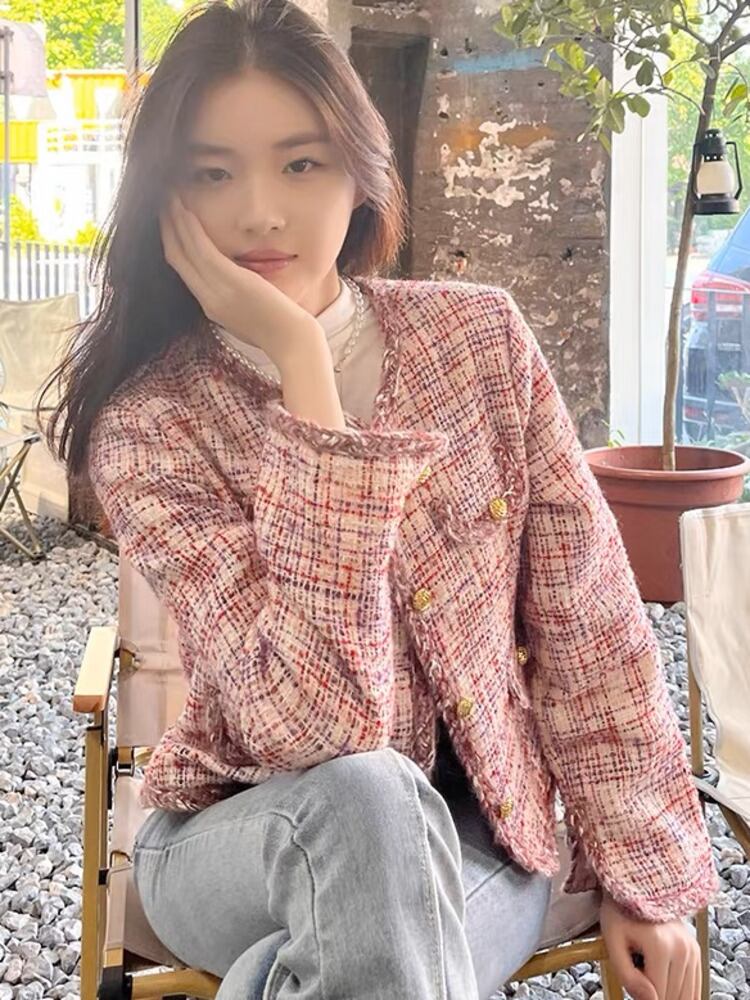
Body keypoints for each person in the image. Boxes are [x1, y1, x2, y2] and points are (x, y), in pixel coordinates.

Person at [40, 1, 720, 998]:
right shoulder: (151, 424)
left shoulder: (481, 343)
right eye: (212, 173)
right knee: (365, 794)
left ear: (361, 173)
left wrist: (644, 874)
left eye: (300, 163)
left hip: (478, 836)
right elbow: (317, 732)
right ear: (164, 197)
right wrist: (301, 362)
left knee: (329, 955)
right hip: (233, 838)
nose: (260, 212)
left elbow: (591, 623)